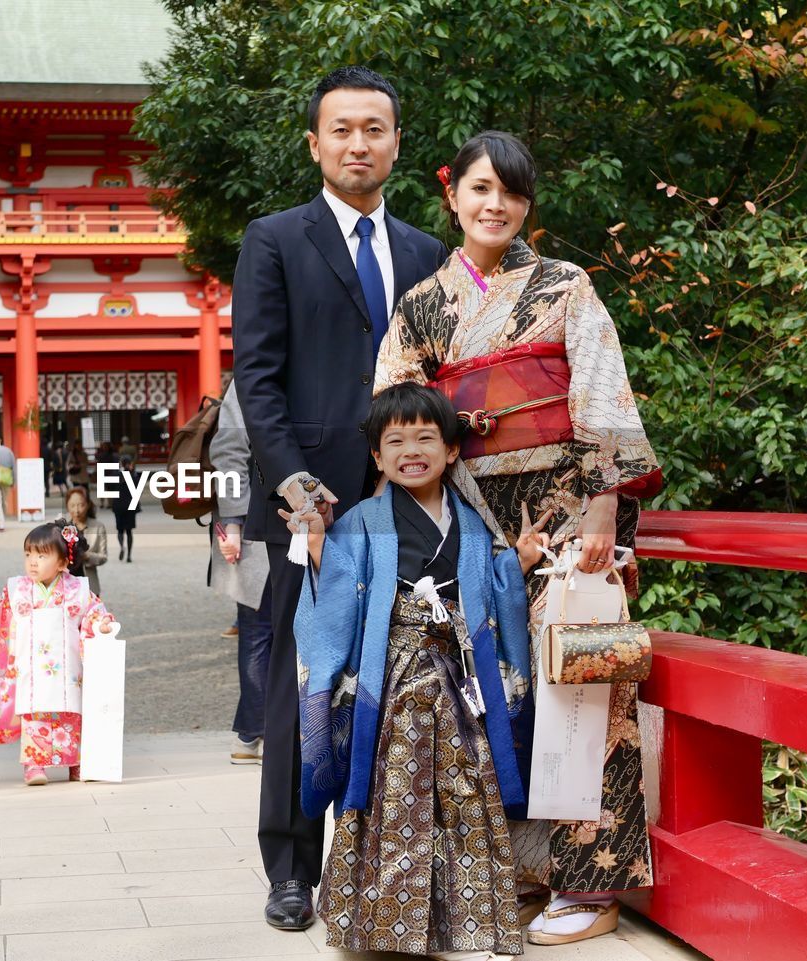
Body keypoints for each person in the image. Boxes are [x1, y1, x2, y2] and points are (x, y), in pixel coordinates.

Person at [374, 130, 663, 946]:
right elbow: (395, 408)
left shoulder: (566, 287)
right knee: (490, 689)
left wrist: (606, 503)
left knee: (583, 680)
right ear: (453, 198)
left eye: (510, 192)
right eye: (479, 189)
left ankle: (593, 878)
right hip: (468, 510)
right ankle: (530, 865)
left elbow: (602, 391)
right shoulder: (423, 304)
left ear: (526, 204)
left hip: (570, 507)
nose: (494, 204)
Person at [231, 65, 448, 930]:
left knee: (405, 682)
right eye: (343, 129)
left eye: (376, 129)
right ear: (316, 143)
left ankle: (391, 864)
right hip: (305, 508)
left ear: (397, 143)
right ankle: (291, 866)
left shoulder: (430, 254)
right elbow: (258, 373)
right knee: (303, 684)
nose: (359, 143)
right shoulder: (275, 239)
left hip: (407, 501)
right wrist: (293, 484)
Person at [291, 383, 549, 959]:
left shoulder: (474, 526)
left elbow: (490, 593)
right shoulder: (362, 522)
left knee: (466, 785)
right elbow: (337, 591)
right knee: (397, 786)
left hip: (462, 672)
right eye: (396, 440)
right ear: (378, 458)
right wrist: (318, 549)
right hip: (396, 674)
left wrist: (519, 563)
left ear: (453, 449)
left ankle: (469, 920)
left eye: (426, 437)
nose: (412, 449)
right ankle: (387, 923)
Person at [0, 522, 116, 785]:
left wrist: (101, 625)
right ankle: (34, 765)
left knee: (69, 714)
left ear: (63, 562)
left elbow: (95, 615)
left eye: (41, 555)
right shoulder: (18, 590)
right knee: (35, 713)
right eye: (28, 555)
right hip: (32, 667)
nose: (33, 562)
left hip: (67, 668)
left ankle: (76, 762)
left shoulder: (79, 590)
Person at [208, 381, 272, 765]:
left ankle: (263, 730)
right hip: (253, 523)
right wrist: (232, 521)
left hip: (312, 518)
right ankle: (252, 732)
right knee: (258, 629)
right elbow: (229, 450)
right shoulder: (249, 379)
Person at [64, 486, 107, 596]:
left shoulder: (98, 527)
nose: (76, 510)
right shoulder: (61, 526)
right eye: (72, 505)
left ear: (88, 504)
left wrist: (86, 556)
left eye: (81, 505)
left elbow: (103, 557)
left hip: (89, 585)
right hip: (64, 585)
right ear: (67, 506)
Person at [109, 454, 141, 562]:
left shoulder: (116, 475)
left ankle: (122, 546)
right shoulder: (134, 476)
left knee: (120, 530)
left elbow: (110, 487)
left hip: (118, 505)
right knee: (129, 531)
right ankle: (129, 555)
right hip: (130, 506)